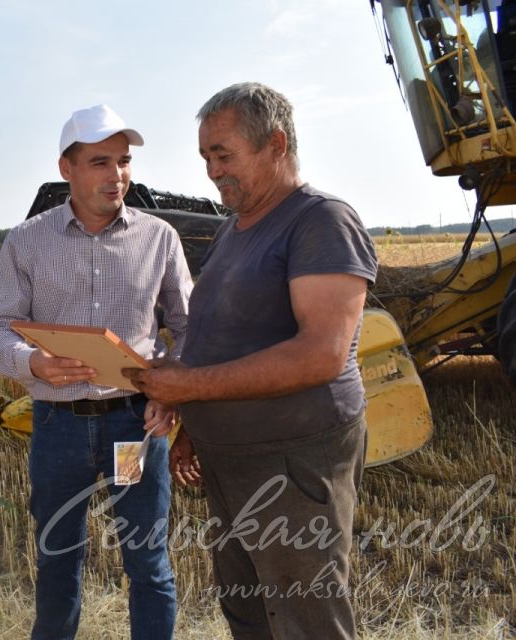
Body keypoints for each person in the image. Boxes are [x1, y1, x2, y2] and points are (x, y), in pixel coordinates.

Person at [124, 83, 378, 640]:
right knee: (248, 609)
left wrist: (190, 387)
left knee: (304, 616)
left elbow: (322, 355)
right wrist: (194, 423)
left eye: (224, 155)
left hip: (292, 462)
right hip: (232, 462)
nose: (213, 171)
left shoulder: (320, 222)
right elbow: (222, 337)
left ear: (276, 144)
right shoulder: (233, 233)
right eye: (205, 158)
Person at [0, 104, 192, 640]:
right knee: (58, 558)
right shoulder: (26, 242)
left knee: (146, 562)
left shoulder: (160, 238)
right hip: (59, 429)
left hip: (133, 429)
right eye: (100, 162)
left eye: (123, 162)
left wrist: (171, 391)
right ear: (66, 169)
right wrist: (32, 362)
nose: (117, 175)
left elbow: (191, 329)